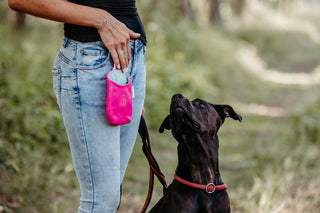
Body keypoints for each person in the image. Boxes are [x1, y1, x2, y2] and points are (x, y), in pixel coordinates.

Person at [8, 0, 146, 212]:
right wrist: (103, 20)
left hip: (129, 63)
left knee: (111, 198)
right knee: (101, 201)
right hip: (90, 63)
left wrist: (132, 79)